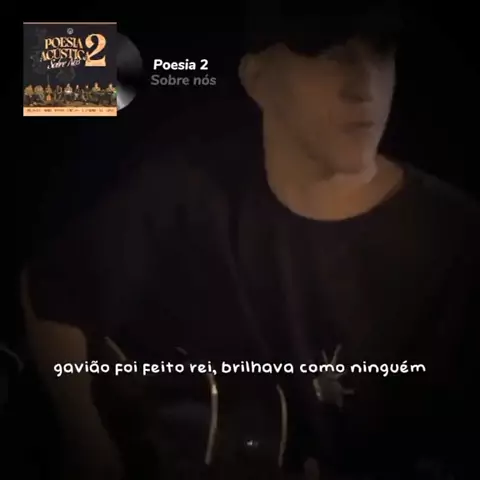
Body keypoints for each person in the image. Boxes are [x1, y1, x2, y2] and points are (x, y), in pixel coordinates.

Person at [23, 4, 478, 480]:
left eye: (381, 52)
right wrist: (93, 453)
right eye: (328, 54)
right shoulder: (184, 189)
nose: (364, 87)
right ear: (258, 79)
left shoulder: (456, 242)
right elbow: (50, 295)